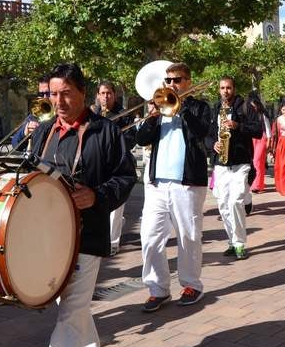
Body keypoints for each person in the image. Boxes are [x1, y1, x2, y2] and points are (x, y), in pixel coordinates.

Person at [29, 64, 136, 347]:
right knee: (71, 305)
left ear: (83, 93)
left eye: (66, 94)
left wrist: (98, 195)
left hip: (86, 237)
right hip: (47, 235)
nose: (57, 101)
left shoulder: (106, 132)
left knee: (68, 314)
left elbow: (125, 177)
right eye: (52, 94)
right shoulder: (43, 133)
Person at [136, 62, 212, 312]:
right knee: (149, 237)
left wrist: (181, 108)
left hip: (187, 182)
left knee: (188, 236)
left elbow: (202, 132)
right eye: (168, 81)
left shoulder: (200, 107)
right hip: (158, 183)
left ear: (188, 81)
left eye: (177, 80)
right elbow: (141, 139)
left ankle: (191, 284)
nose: (171, 85)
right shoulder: (159, 108)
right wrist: (152, 117)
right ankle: (158, 288)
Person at [206, 77, 262, 260]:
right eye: (222, 88)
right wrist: (212, 144)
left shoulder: (245, 107)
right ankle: (231, 241)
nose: (225, 91)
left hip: (241, 163)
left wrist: (238, 126)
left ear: (234, 88)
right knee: (222, 204)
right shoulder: (215, 109)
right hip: (221, 164)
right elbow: (206, 135)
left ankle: (239, 243)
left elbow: (258, 130)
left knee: (235, 201)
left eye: (228, 88)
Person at [92, 81, 138, 256]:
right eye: (102, 93)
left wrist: (112, 139)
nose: (105, 97)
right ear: (97, 95)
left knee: (116, 205)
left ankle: (112, 243)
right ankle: (107, 234)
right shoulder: (93, 114)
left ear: (114, 94)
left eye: (109, 93)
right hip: (98, 166)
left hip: (118, 165)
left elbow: (131, 140)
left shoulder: (125, 115)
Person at [11, 76, 51, 150]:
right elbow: (15, 144)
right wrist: (25, 132)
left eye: (48, 93)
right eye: (41, 94)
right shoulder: (36, 114)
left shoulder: (63, 115)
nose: (44, 98)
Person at [250, 94, 270, 193]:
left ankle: (257, 185)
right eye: (251, 106)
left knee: (258, 161)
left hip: (261, 138)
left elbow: (268, 128)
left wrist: (269, 141)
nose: (253, 107)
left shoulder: (262, 115)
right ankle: (255, 183)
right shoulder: (248, 115)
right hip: (251, 139)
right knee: (253, 162)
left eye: (254, 105)